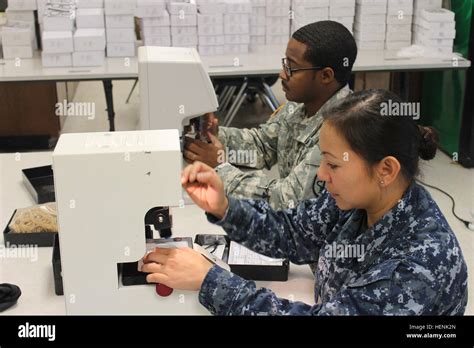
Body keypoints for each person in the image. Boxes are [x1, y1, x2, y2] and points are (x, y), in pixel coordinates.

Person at [142, 89, 468, 315]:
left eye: (334, 164)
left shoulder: (419, 264)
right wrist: (225, 208)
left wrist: (209, 281)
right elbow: (295, 232)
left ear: (386, 169)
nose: (322, 175)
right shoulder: (355, 199)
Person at [184, 20, 357, 210]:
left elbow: (285, 201)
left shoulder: (341, 131)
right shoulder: (298, 106)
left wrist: (220, 169)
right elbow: (262, 146)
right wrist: (216, 134)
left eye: (292, 68)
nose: (282, 74)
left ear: (325, 76)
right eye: (285, 64)